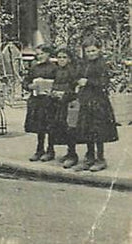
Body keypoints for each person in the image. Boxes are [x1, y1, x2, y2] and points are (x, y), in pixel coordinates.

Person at [72, 38, 119, 172]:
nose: (91, 53)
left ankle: (100, 159)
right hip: (85, 100)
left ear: (99, 50)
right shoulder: (83, 64)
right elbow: (76, 77)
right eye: (88, 51)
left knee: (98, 131)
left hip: (98, 101)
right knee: (87, 130)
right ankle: (89, 158)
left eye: (93, 50)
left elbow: (104, 82)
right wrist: (78, 82)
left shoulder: (102, 64)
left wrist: (88, 82)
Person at [23, 44, 59, 161]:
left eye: (42, 54)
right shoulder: (34, 68)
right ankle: (39, 149)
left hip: (49, 100)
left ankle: (50, 150)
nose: (40, 56)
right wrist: (29, 86)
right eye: (38, 54)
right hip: (37, 100)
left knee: (50, 125)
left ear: (48, 54)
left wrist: (51, 86)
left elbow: (59, 82)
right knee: (39, 126)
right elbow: (26, 81)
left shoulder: (54, 67)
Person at [50, 47, 81, 168]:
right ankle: (68, 153)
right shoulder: (56, 71)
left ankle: (73, 155)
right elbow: (54, 83)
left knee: (70, 128)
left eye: (64, 57)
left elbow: (76, 88)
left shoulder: (73, 71)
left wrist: (65, 94)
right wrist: (52, 91)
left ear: (69, 59)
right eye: (59, 57)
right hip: (58, 103)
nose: (61, 60)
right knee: (61, 127)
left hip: (70, 103)